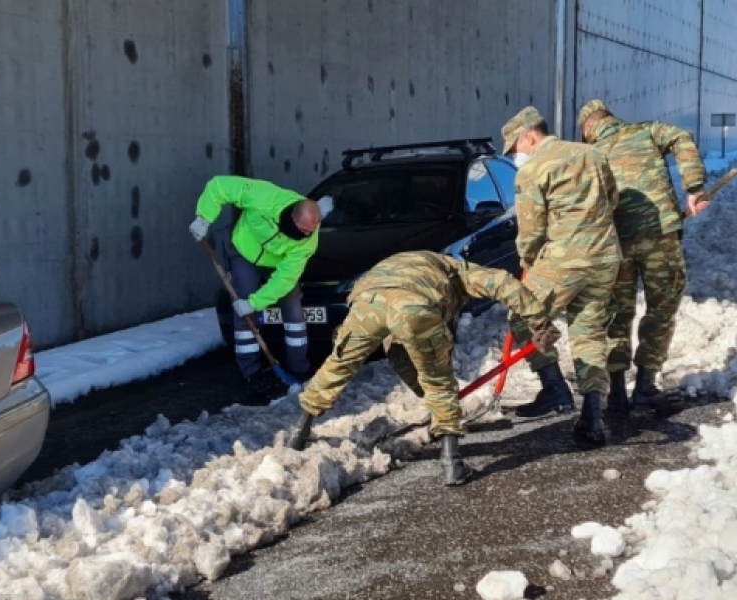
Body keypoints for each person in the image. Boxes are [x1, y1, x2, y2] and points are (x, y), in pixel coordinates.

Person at [282, 250, 561, 486]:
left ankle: (298, 432)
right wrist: (540, 322)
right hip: (414, 305)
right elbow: (503, 282)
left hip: (367, 302)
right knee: (438, 379)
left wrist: (428, 395)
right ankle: (452, 463)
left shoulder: (410, 262)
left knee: (338, 365)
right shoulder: (459, 271)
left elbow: (401, 350)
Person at [497, 106, 623, 445]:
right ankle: (592, 417)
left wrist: (528, 261)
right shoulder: (592, 154)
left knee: (523, 316)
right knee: (589, 333)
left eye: (516, 147)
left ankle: (555, 390)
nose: (517, 155)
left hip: (564, 259)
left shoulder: (533, 169)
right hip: (605, 257)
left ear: (529, 136)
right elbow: (613, 198)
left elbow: (530, 229)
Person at [576, 99, 706, 414]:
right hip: (659, 235)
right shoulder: (646, 131)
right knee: (660, 310)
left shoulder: (590, 155)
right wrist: (695, 186)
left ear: (588, 128)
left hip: (615, 244)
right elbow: (681, 137)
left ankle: (617, 392)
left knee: (616, 314)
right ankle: (645, 388)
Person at [189, 175, 333, 399]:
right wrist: (204, 217)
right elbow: (220, 186)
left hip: (277, 264)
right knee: (243, 310)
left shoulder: (308, 241)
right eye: (302, 231)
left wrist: (255, 303)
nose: (306, 236)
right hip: (245, 252)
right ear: (292, 217)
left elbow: (284, 279)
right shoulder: (264, 197)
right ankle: (252, 373)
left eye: (309, 232)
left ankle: (299, 370)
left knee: (294, 312)